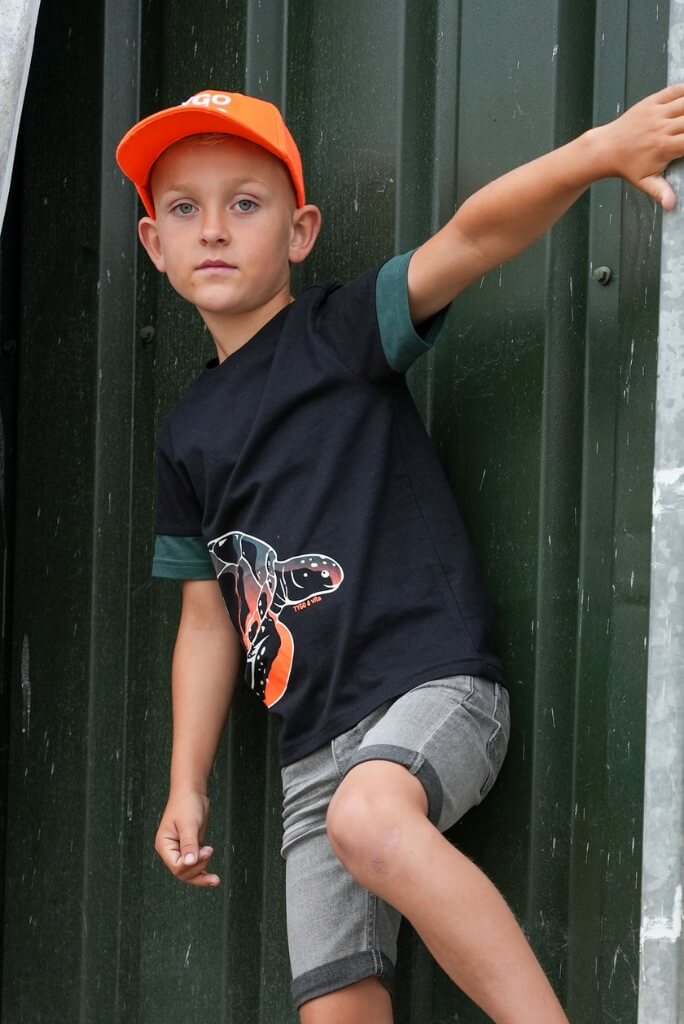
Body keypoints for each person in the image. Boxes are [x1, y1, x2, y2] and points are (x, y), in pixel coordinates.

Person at [116, 85, 684, 1024]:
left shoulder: (336, 333)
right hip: (310, 756)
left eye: (244, 204)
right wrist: (186, 781)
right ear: (153, 244)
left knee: (371, 818)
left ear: (300, 232)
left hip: (433, 691)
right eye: (184, 209)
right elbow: (207, 620)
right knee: (332, 1006)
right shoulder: (184, 436)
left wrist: (598, 151)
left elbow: (473, 237)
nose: (212, 228)